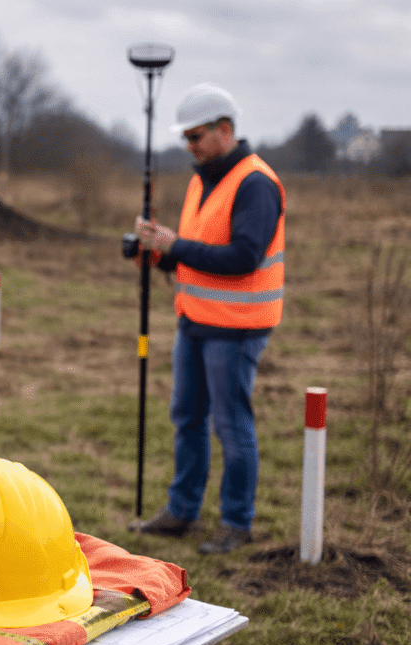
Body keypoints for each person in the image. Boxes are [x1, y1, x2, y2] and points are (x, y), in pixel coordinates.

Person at [131, 83, 285, 554]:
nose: (190, 147)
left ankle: (237, 522)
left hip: (236, 328)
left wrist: (173, 246)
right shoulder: (203, 180)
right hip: (195, 320)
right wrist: (157, 255)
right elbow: (198, 254)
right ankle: (182, 511)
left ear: (225, 129)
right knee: (187, 417)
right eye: (186, 139)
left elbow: (243, 256)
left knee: (230, 424)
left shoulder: (256, 183)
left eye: (196, 136)